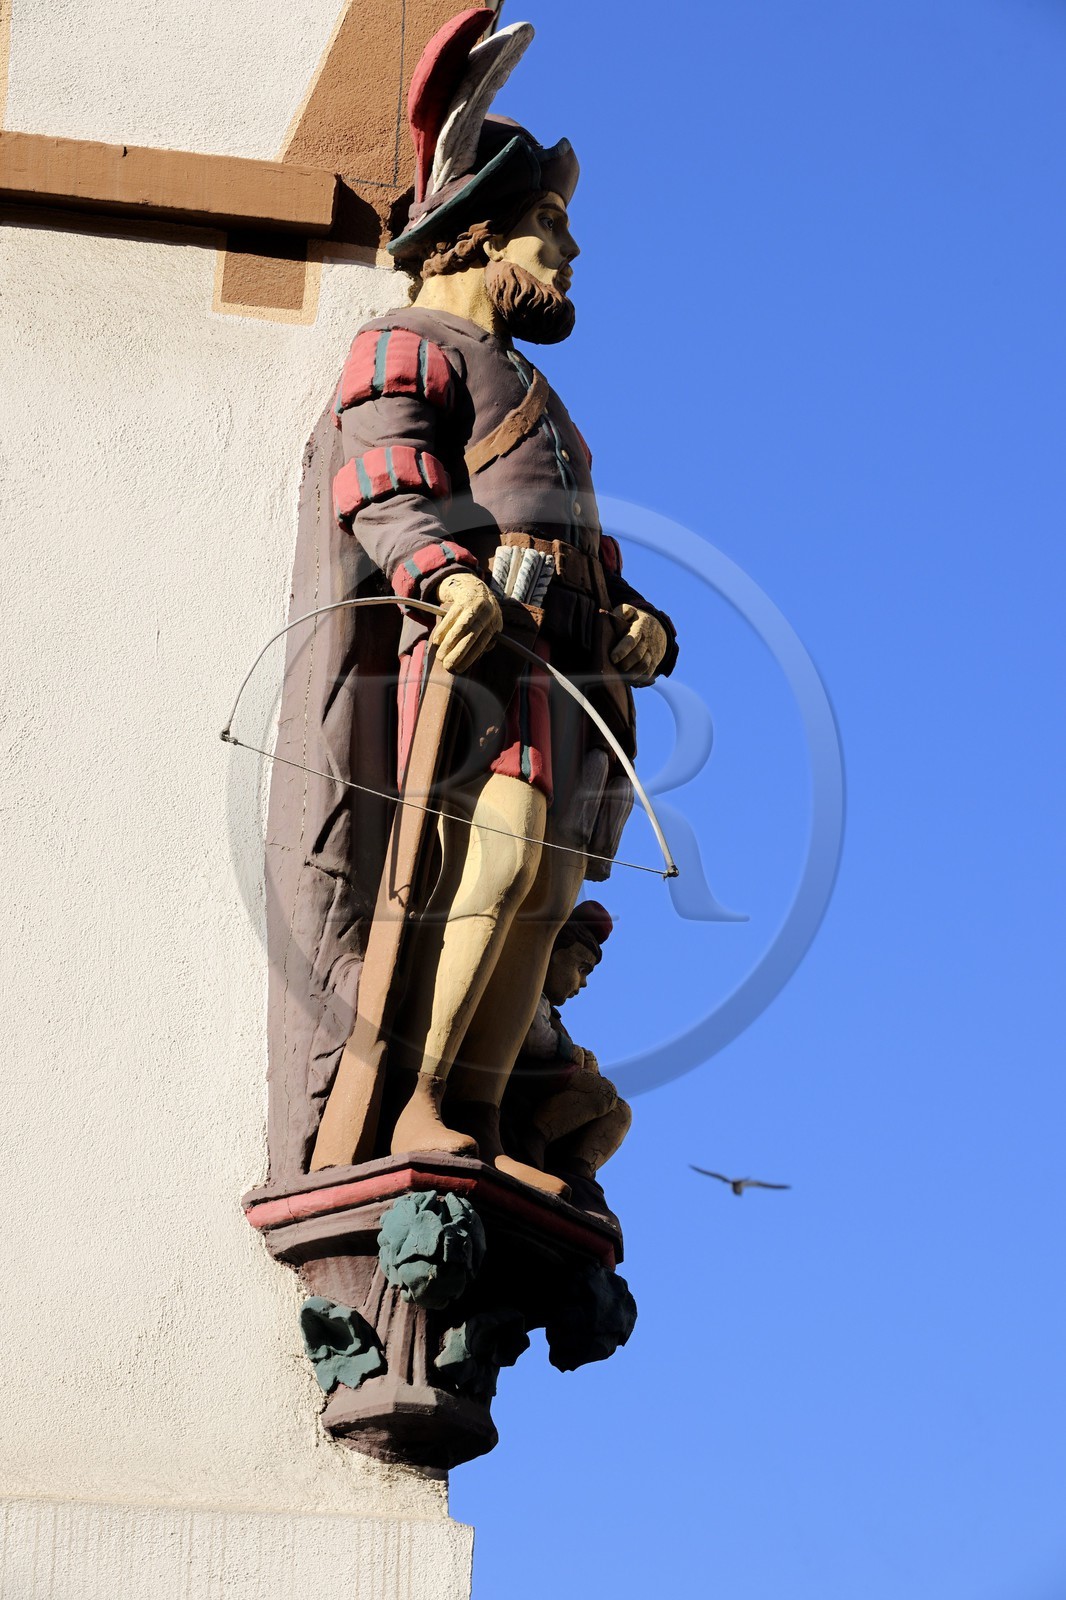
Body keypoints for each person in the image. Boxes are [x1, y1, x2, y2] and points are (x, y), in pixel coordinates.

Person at [266, 11, 677, 1194]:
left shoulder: (541, 394)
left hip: (556, 668)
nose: (569, 255)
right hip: (471, 670)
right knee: (486, 871)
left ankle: (481, 1117)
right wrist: (441, 574)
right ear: (475, 236)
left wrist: (640, 619)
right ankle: (426, 1098)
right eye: (551, 231)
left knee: (543, 893)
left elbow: (573, 540)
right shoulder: (408, 345)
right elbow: (382, 473)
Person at [502, 901, 631, 1213]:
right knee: (601, 1092)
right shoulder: (527, 994)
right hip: (524, 1081)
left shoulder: (549, 1010)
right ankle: (532, 1144)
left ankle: (578, 1170)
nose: (583, 983)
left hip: (549, 1080)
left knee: (620, 1111)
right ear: (550, 952)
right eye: (581, 968)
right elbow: (534, 1039)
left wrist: (582, 1059)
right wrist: (571, 1054)